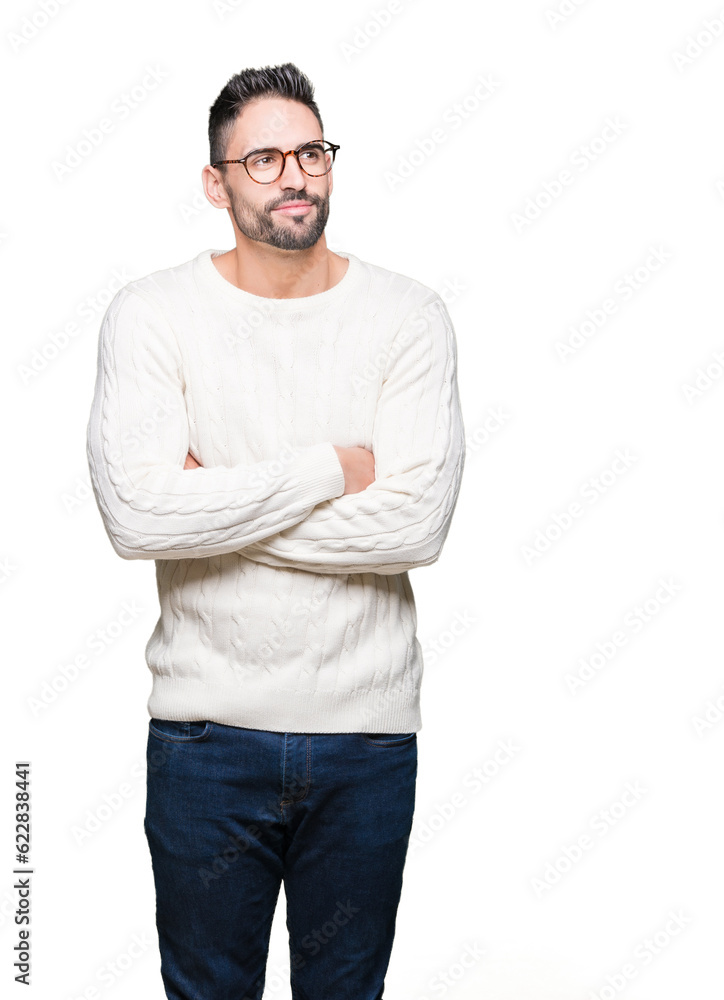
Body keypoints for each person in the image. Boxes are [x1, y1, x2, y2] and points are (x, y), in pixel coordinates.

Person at [85, 61, 466, 1000]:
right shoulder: (153, 316)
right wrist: (328, 472)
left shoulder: (407, 316)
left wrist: (212, 506)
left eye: (311, 150)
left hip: (365, 741)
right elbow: (136, 516)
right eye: (263, 158)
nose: (295, 174)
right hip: (206, 739)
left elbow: (414, 524)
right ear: (216, 184)